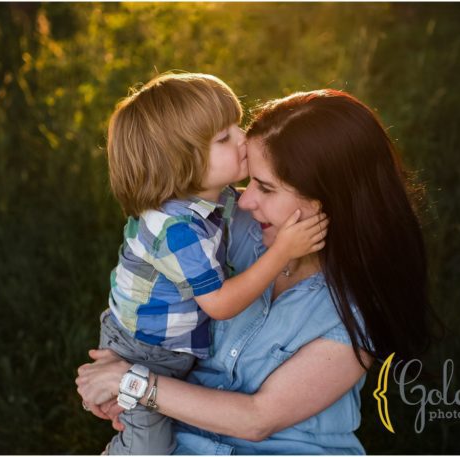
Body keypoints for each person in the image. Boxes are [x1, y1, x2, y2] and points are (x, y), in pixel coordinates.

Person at [77, 89, 433, 454]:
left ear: (327, 201)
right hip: (179, 441)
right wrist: (119, 368)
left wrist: (131, 382)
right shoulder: (228, 228)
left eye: (265, 187)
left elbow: (257, 419)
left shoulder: (353, 312)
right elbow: (149, 305)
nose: (244, 200)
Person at [97, 73, 328, 454]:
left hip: (168, 341)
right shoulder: (177, 230)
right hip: (145, 348)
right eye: (224, 138)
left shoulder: (208, 196)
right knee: (150, 446)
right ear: (180, 163)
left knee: (160, 410)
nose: (243, 139)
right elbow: (220, 304)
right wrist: (282, 251)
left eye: (237, 126)